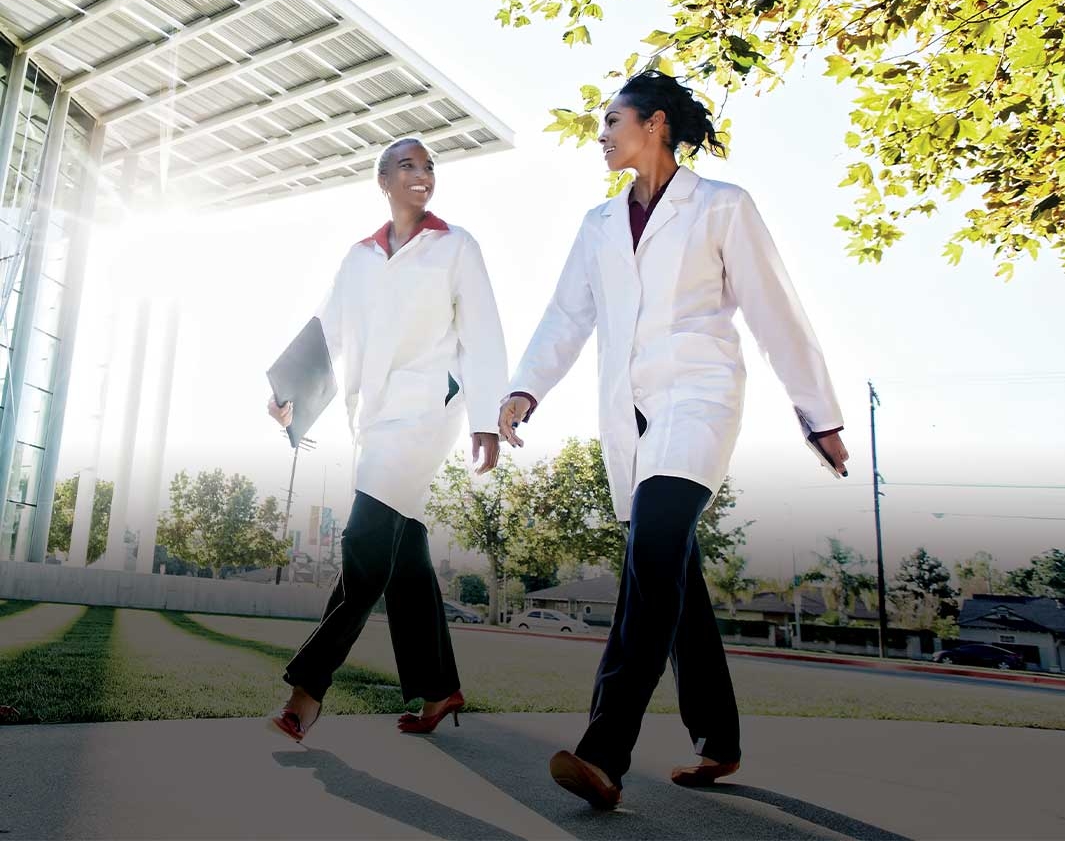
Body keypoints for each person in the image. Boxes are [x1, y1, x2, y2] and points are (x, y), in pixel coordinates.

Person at [499, 70, 848, 809]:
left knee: (652, 553)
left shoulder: (721, 207)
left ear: (655, 124)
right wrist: (525, 388)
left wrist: (818, 413)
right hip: (627, 419)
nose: (601, 135)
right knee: (675, 580)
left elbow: (774, 309)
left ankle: (604, 752)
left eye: (612, 121)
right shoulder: (597, 226)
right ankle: (718, 740)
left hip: (699, 400)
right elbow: (567, 317)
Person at [267, 137, 507, 742]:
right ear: (384, 180)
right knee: (403, 556)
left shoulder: (456, 246)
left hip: (428, 412)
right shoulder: (359, 258)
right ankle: (439, 687)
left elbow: (482, 331)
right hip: (373, 420)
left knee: (365, 542)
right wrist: (288, 393)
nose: (422, 174)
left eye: (429, 167)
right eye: (408, 165)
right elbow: (328, 329)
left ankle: (308, 687)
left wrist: (485, 415)